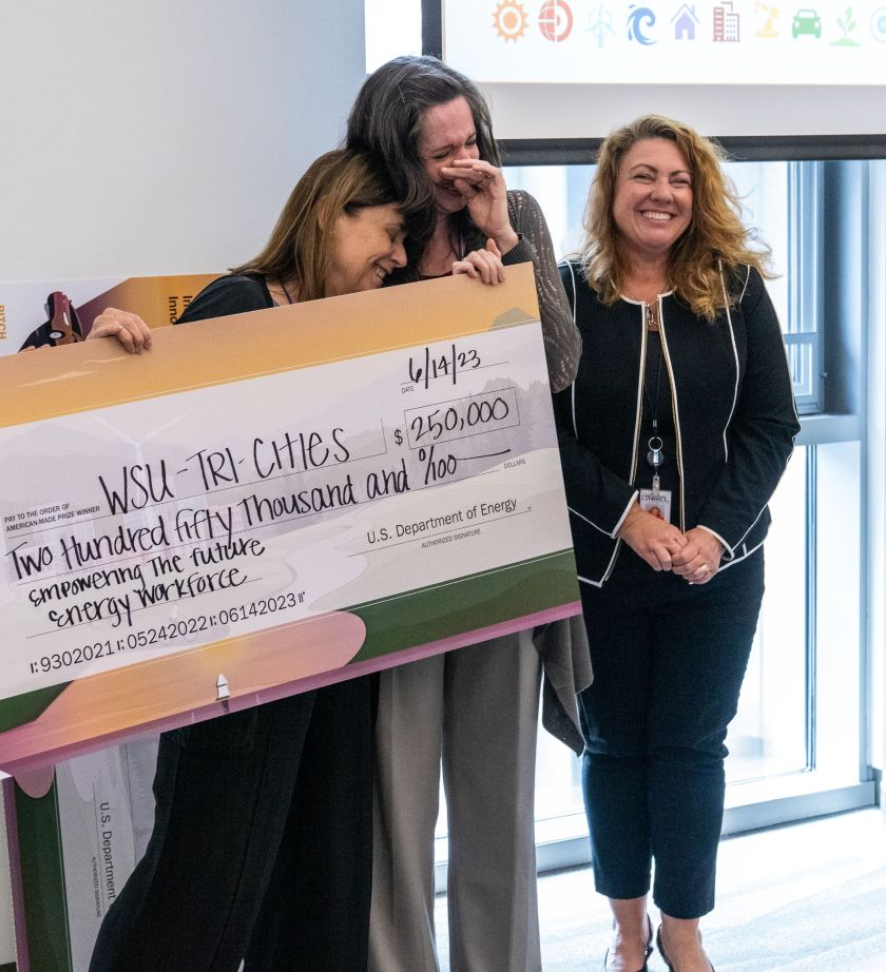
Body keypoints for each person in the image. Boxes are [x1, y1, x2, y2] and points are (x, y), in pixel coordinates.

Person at [86, 147, 520, 972]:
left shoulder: (359, 321)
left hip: (334, 652)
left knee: (321, 886)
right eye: (388, 234)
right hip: (236, 666)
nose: (395, 258)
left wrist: (485, 292)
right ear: (331, 213)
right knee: (199, 891)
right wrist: (107, 366)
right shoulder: (238, 304)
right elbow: (146, 467)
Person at [344, 54, 590, 972]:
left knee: (500, 804)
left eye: (473, 140)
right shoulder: (367, 225)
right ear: (396, 156)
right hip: (397, 561)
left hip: (503, 548)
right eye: (441, 151)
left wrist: (511, 253)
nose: (464, 163)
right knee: (395, 813)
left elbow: (560, 368)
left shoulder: (514, 212)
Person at [555, 115, 799, 972]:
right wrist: (631, 518)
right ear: (611, 190)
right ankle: (626, 931)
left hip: (717, 571)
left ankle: (683, 930)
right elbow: (548, 435)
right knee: (615, 745)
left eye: (681, 180)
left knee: (694, 746)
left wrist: (713, 534)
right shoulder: (566, 294)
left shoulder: (734, 290)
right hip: (603, 566)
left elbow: (772, 425)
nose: (663, 193)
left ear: (698, 197)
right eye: (645, 176)